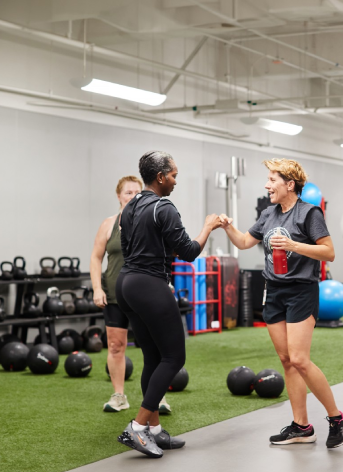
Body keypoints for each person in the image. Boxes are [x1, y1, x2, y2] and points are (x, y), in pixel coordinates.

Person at [218, 158, 343, 448]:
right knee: (287, 361)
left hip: (301, 291)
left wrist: (293, 245)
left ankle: (336, 417)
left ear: (290, 184)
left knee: (300, 359)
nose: (267, 185)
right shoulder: (269, 213)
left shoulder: (309, 213)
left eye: (272, 180)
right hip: (274, 292)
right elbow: (244, 242)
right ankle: (302, 427)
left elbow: (329, 252)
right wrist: (227, 227)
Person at [115, 150, 222, 458]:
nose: (175, 180)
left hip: (126, 283)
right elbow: (188, 252)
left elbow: (129, 247)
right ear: (160, 177)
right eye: (173, 175)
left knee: (153, 357)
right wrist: (208, 226)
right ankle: (137, 427)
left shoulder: (130, 207)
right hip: (149, 285)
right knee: (174, 357)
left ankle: (154, 430)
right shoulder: (164, 207)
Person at [91, 175, 169, 413]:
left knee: (153, 347)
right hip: (115, 294)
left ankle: (157, 398)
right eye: (128, 192)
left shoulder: (151, 222)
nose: (133, 196)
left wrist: (164, 284)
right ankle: (119, 396)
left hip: (145, 295)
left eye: (137, 192)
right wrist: (97, 288)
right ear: (119, 196)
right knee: (115, 346)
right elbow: (96, 257)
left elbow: (164, 255)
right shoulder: (108, 224)